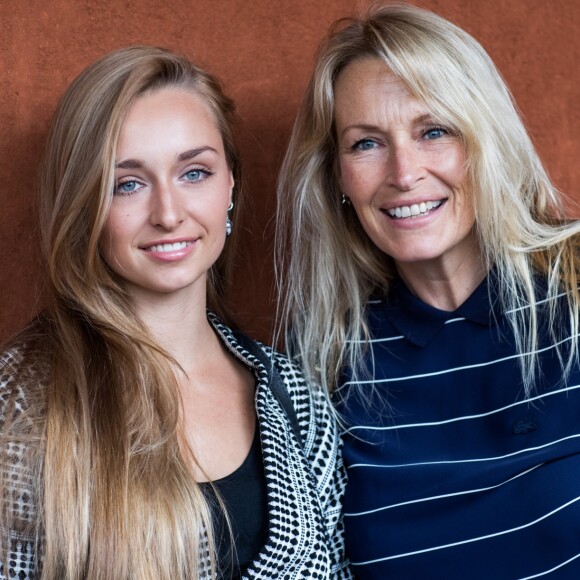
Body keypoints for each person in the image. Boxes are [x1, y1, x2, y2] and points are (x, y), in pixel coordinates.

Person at [0, 46, 351, 579]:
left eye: (194, 173)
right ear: (84, 203)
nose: (168, 213)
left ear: (230, 182)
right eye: (129, 183)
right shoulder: (21, 401)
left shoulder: (296, 397)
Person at [277, 4, 580, 578]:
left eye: (433, 131)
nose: (404, 172)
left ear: (483, 140)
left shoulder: (575, 288)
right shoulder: (322, 358)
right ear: (336, 176)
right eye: (366, 144)